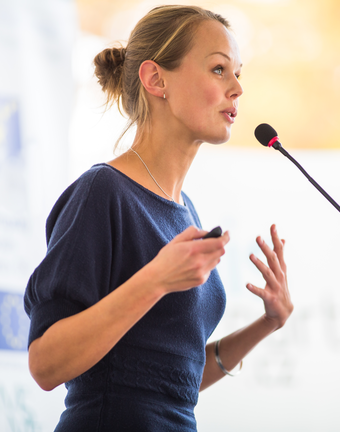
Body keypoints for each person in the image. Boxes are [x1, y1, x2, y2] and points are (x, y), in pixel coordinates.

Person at [24, 5, 293, 431]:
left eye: (239, 73)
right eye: (219, 69)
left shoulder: (185, 209)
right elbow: (45, 363)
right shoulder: (103, 192)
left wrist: (267, 324)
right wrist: (156, 280)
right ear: (155, 79)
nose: (238, 87)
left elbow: (168, 383)